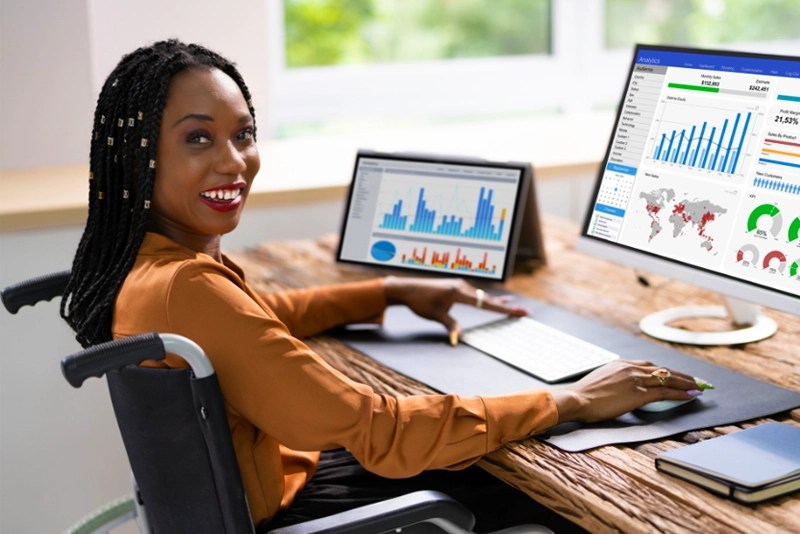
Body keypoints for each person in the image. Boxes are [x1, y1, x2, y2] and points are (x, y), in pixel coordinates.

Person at [61, 39, 703, 532]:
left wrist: (388, 292)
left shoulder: (148, 266)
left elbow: (255, 320)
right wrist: (570, 401)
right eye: (197, 138)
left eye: (243, 134)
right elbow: (378, 428)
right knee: (560, 489)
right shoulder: (189, 288)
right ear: (137, 156)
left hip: (272, 489)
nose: (233, 161)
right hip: (295, 513)